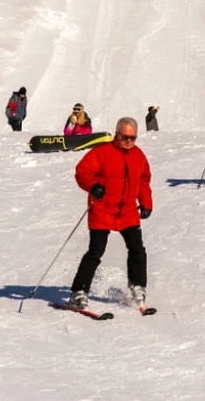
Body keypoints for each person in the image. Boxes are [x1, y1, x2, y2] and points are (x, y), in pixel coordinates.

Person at [67, 117, 153, 310]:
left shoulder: (138, 156)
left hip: (128, 211)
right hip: (102, 209)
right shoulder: (102, 152)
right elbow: (82, 172)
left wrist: (146, 203)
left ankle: (137, 286)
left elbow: (144, 181)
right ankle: (78, 291)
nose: (128, 141)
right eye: (125, 136)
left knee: (137, 248)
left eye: (133, 137)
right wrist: (93, 186)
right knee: (96, 251)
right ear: (117, 133)